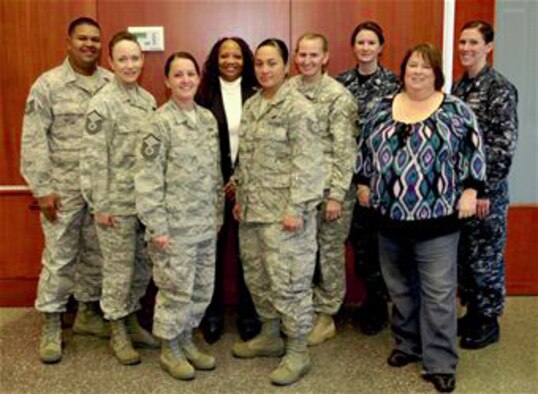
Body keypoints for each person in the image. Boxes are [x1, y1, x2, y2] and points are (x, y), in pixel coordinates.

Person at [356, 43, 486, 392]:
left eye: (424, 67)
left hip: (438, 221)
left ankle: (440, 361)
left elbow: (475, 154)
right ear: (403, 70)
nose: (417, 72)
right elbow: (365, 150)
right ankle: (407, 345)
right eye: (411, 65)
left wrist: (472, 190)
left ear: (436, 73)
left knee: (438, 293)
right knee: (399, 289)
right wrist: (363, 182)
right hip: (389, 219)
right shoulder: (381, 108)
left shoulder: (456, 110)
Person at [231, 38, 324, 386]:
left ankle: (298, 350)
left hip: (286, 216)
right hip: (254, 212)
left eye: (272, 63)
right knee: (259, 278)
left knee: (290, 283)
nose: (265, 69)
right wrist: (240, 195)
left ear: (287, 67)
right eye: (259, 63)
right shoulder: (253, 105)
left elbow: (310, 163)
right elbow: (247, 156)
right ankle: (270, 336)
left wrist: (297, 208)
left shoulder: (297, 108)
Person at [20, 17, 112, 364]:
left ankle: (88, 314)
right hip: (63, 187)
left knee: (96, 253)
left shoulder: (110, 82)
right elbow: (33, 140)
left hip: (100, 188)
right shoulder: (48, 84)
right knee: (59, 257)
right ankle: (51, 323)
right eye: (83, 39)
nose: (89, 45)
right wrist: (42, 188)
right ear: (68, 42)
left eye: (95, 40)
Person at [135, 52, 223, 380]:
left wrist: (216, 216)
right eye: (178, 74)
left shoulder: (207, 119)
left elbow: (214, 173)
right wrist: (156, 226)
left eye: (191, 74)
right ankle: (169, 348)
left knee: (200, 289)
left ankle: (186, 339)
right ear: (167, 81)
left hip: (203, 225)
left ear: (199, 79)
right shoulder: (158, 123)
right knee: (175, 290)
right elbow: (147, 179)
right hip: (172, 229)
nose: (185, 80)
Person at [80, 31, 158, 366]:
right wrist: (100, 204)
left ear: (143, 60)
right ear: (111, 63)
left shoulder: (149, 101)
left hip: (144, 204)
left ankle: (132, 319)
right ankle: (117, 330)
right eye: (122, 59)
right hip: (115, 205)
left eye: (135, 58)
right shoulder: (102, 103)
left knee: (142, 268)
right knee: (118, 271)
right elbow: (93, 158)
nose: (130, 65)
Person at [453, 20, 518, 350]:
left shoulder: (499, 89)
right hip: (460, 195)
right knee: (465, 257)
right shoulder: (457, 89)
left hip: (485, 194)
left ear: (488, 47)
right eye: (462, 42)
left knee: (486, 259)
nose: (466, 48)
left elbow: (502, 148)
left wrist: (481, 190)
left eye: (473, 42)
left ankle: (488, 321)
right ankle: (473, 313)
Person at [288, 33, 358, 346]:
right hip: (300, 192)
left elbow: (345, 151)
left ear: (325, 57)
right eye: (302, 55)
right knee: (301, 253)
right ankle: (303, 310)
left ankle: (326, 315)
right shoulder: (288, 91)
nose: (307, 61)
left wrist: (337, 196)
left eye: (314, 55)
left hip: (330, 190)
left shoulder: (338, 97)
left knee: (329, 254)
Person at [336, 21, 400, 335]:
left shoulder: (393, 84)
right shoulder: (341, 83)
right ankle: (367, 301)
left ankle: (379, 304)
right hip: (346, 178)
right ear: (353, 47)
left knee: (379, 245)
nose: (365, 48)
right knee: (357, 244)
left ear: (380, 47)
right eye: (360, 42)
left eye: (371, 42)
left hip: (379, 180)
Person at [196, 37, 261, 344]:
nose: (231, 61)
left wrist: (240, 179)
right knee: (212, 254)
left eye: (237, 55)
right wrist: (222, 179)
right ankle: (212, 315)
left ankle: (250, 315)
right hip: (212, 187)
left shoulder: (258, 95)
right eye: (224, 55)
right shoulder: (202, 94)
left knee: (249, 254)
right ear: (215, 59)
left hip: (249, 187)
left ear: (245, 60)